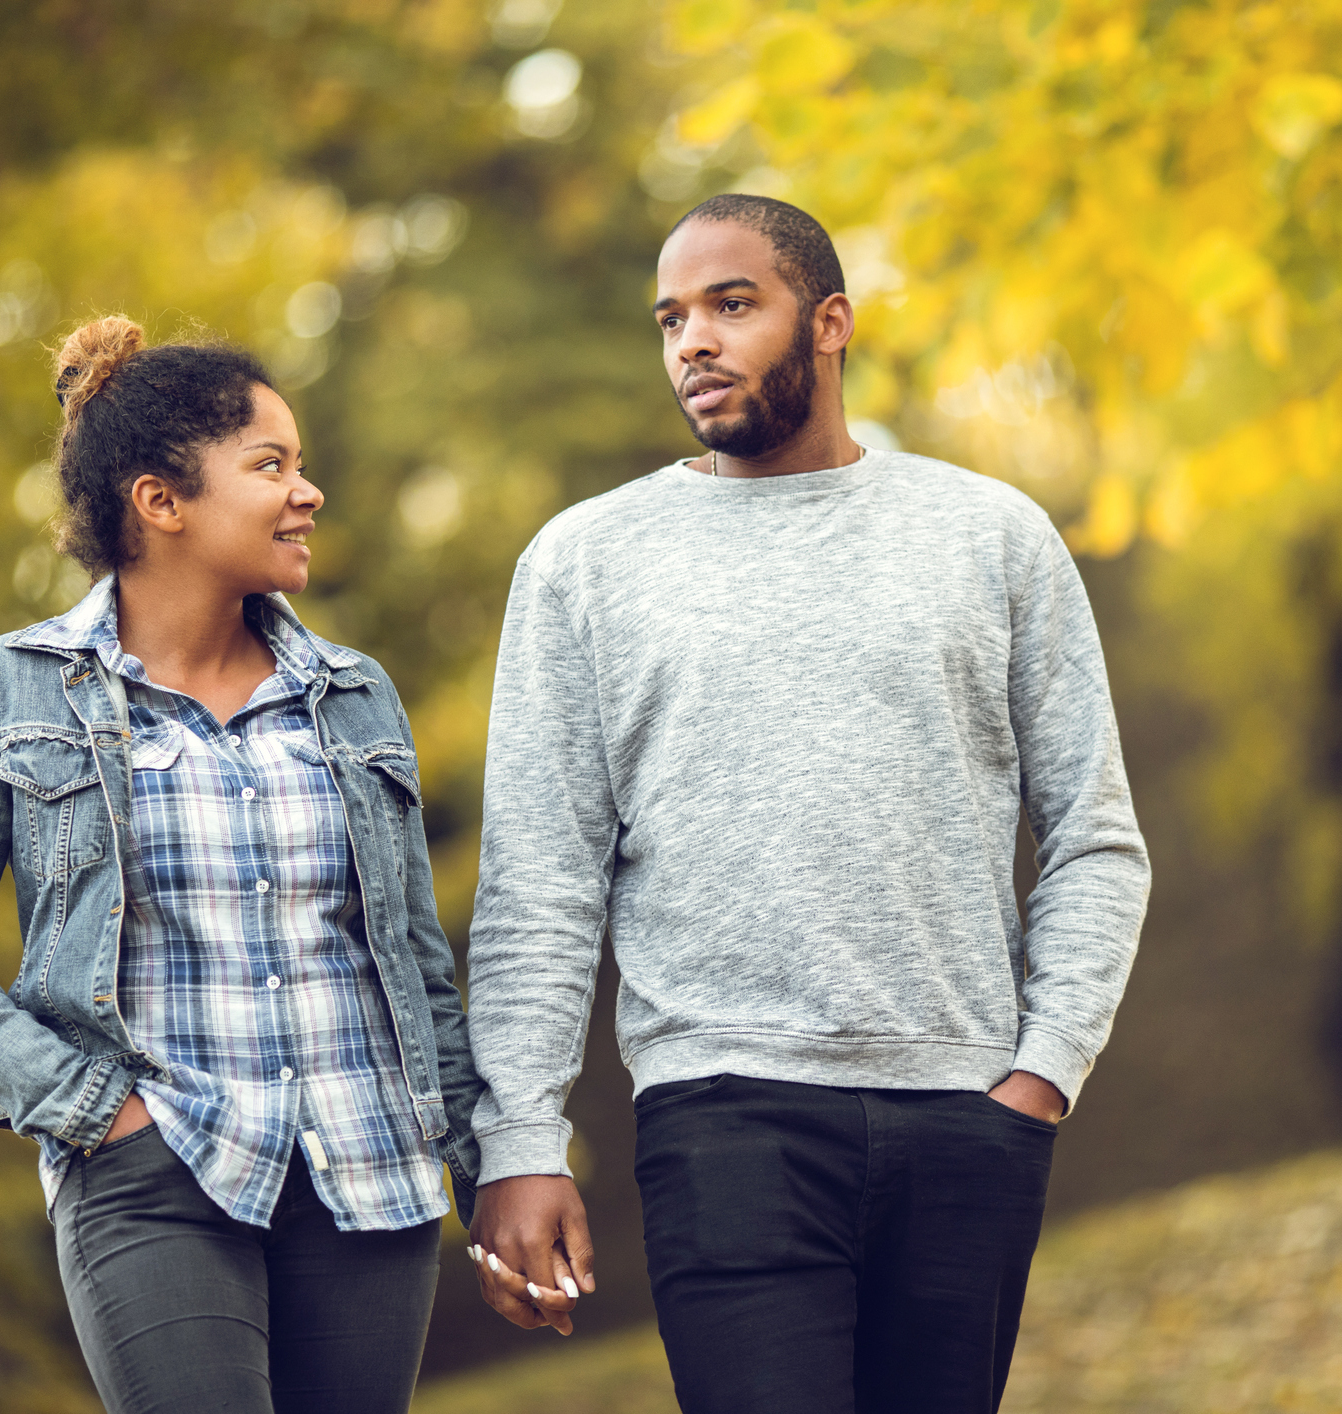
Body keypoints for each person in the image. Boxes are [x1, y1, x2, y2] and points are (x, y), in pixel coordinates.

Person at [463, 194, 1151, 1411]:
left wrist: (1043, 1072)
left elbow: (1094, 835)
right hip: (722, 1118)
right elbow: (542, 886)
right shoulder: (585, 562)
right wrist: (520, 1137)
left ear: (829, 321)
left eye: (733, 304)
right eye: (672, 317)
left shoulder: (991, 536)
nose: (694, 342)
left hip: (967, 1115)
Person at [0, 317, 481, 1414]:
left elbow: (415, 964)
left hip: (370, 1174)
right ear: (162, 501)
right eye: (271, 466)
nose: (309, 491)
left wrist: (494, 1173)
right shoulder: (11, 688)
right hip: (153, 1174)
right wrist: (91, 1106)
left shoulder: (354, 692)